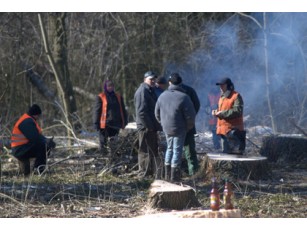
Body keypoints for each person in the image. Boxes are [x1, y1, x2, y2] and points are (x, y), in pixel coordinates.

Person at [155, 73, 196, 182]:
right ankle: (174, 177)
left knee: (169, 148)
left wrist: (162, 123)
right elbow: (190, 116)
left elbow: (156, 113)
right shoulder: (184, 97)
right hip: (180, 128)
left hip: (166, 128)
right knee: (177, 150)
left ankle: (166, 175)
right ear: (181, 83)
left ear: (169, 82)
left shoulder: (162, 96)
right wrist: (188, 127)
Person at [11, 104, 56, 176]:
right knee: (44, 147)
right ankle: (38, 172)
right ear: (36, 114)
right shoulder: (27, 121)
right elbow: (34, 138)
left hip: (21, 148)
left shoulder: (27, 119)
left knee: (43, 146)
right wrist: (47, 141)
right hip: (20, 149)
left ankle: (35, 171)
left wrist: (46, 140)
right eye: (38, 115)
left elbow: (36, 137)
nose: (38, 118)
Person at [134, 71, 163, 178]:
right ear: (145, 79)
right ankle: (143, 175)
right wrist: (149, 126)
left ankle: (151, 173)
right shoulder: (143, 91)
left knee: (152, 150)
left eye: (154, 79)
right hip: (145, 128)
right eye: (151, 79)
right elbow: (141, 112)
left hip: (151, 127)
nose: (153, 81)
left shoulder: (150, 90)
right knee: (145, 151)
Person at [93, 80, 128, 155]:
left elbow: (123, 109)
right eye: (109, 86)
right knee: (103, 144)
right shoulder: (101, 97)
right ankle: (103, 159)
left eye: (112, 86)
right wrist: (96, 123)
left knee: (114, 144)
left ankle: (113, 159)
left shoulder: (118, 97)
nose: (111, 87)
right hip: (104, 125)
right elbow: (97, 111)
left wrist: (124, 121)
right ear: (105, 87)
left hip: (115, 124)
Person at [212, 77, 246, 154]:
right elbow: (224, 109)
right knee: (226, 156)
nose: (220, 87)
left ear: (228, 85)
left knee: (235, 156)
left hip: (233, 133)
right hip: (223, 131)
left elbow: (238, 111)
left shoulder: (236, 96)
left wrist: (221, 113)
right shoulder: (222, 97)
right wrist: (216, 112)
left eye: (222, 85)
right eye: (220, 85)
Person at [180, 75, 201, 176]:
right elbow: (196, 105)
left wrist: (190, 118)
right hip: (186, 126)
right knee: (188, 151)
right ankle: (190, 172)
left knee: (187, 151)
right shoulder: (189, 90)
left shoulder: (189, 91)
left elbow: (196, 105)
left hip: (183, 126)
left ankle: (193, 173)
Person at [205, 81, 221, 150]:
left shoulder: (221, 94)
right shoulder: (209, 95)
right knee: (214, 133)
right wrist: (208, 113)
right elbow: (206, 106)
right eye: (212, 85)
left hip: (221, 117)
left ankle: (222, 147)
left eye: (215, 85)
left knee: (221, 132)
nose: (214, 87)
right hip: (212, 118)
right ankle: (216, 147)